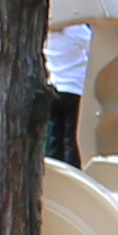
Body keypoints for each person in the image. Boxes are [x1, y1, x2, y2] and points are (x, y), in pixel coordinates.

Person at [43, 14, 92, 165]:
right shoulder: (75, 29)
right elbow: (92, 45)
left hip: (54, 87)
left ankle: (55, 169)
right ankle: (73, 171)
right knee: (71, 137)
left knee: (54, 136)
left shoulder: (47, 34)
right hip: (75, 88)